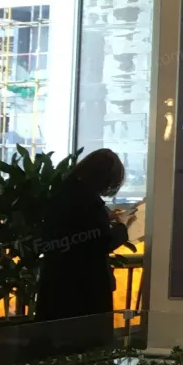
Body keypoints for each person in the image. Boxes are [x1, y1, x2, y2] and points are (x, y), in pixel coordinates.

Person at [35, 149, 134, 350]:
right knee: (87, 349)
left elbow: (74, 233)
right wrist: (122, 226)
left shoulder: (64, 194)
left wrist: (106, 218)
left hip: (56, 284)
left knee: (56, 350)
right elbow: (101, 243)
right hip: (86, 289)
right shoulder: (90, 203)